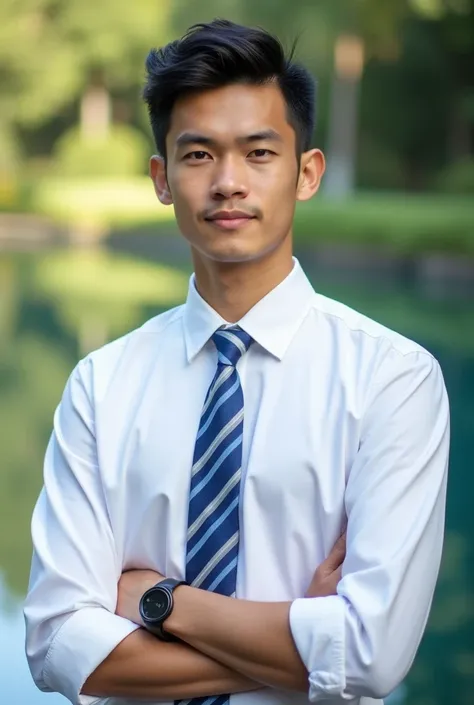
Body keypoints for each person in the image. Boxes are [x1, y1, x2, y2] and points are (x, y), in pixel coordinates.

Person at [24, 18, 450, 705]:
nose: (228, 182)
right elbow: (55, 645)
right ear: (161, 179)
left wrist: (159, 601)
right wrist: (303, 645)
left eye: (258, 153)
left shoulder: (392, 380)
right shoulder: (101, 385)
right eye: (198, 156)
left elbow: (372, 652)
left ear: (305, 173)